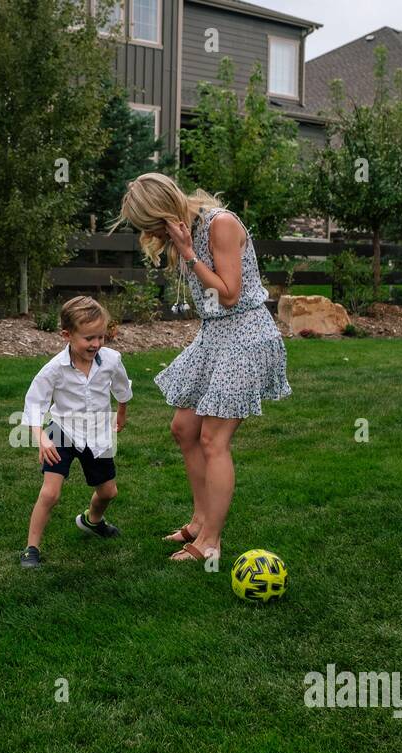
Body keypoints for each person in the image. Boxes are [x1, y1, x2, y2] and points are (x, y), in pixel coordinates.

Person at [117, 172, 291, 563]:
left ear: (164, 211)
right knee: (184, 428)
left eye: (151, 226)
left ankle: (210, 541)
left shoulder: (221, 224)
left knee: (214, 440)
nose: (152, 235)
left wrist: (189, 254)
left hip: (246, 336)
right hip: (215, 336)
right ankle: (199, 519)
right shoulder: (186, 231)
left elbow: (229, 295)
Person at [20, 296, 132, 568]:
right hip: (62, 431)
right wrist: (41, 438)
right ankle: (31, 548)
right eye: (88, 338)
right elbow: (34, 404)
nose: (95, 344)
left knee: (108, 492)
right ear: (67, 335)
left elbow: (121, 388)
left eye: (100, 337)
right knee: (51, 493)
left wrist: (121, 412)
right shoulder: (54, 369)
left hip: (98, 433)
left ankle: (92, 521)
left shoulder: (111, 360)